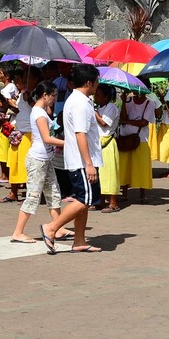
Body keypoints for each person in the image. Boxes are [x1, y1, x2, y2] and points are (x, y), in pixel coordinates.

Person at [40, 64, 103, 254]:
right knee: (85, 200)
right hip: (83, 161)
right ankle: (52, 228)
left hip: (80, 159)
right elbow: (80, 134)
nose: (97, 85)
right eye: (96, 81)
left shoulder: (78, 100)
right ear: (89, 82)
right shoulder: (80, 103)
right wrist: (89, 164)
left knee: (83, 200)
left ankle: (79, 240)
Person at [11, 81, 73, 244]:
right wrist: (69, 142)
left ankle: (57, 227)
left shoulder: (42, 111)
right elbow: (46, 138)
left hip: (46, 159)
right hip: (37, 160)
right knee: (33, 195)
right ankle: (18, 232)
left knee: (53, 193)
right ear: (45, 95)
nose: (54, 98)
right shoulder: (38, 113)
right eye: (53, 95)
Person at [1, 69, 37, 204]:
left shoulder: (36, 94)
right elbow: (20, 110)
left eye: (20, 80)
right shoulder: (21, 95)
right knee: (13, 162)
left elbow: (40, 111)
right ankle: (13, 192)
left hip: (29, 132)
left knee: (26, 164)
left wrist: (30, 100)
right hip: (18, 130)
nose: (17, 83)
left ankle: (29, 194)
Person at [118, 91, 155, 203]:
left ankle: (142, 194)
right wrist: (124, 102)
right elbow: (122, 117)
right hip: (125, 136)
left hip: (141, 139)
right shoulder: (128, 101)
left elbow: (144, 122)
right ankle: (124, 193)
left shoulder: (150, 103)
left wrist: (127, 121)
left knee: (141, 167)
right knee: (124, 166)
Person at [94, 84, 121, 213]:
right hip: (98, 141)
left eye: (98, 95)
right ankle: (101, 201)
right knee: (100, 174)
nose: (96, 97)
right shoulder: (100, 107)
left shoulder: (112, 107)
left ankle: (113, 202)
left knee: (110, 173)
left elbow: (104, 123)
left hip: (108, 141)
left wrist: (94, 113)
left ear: (106, 97)